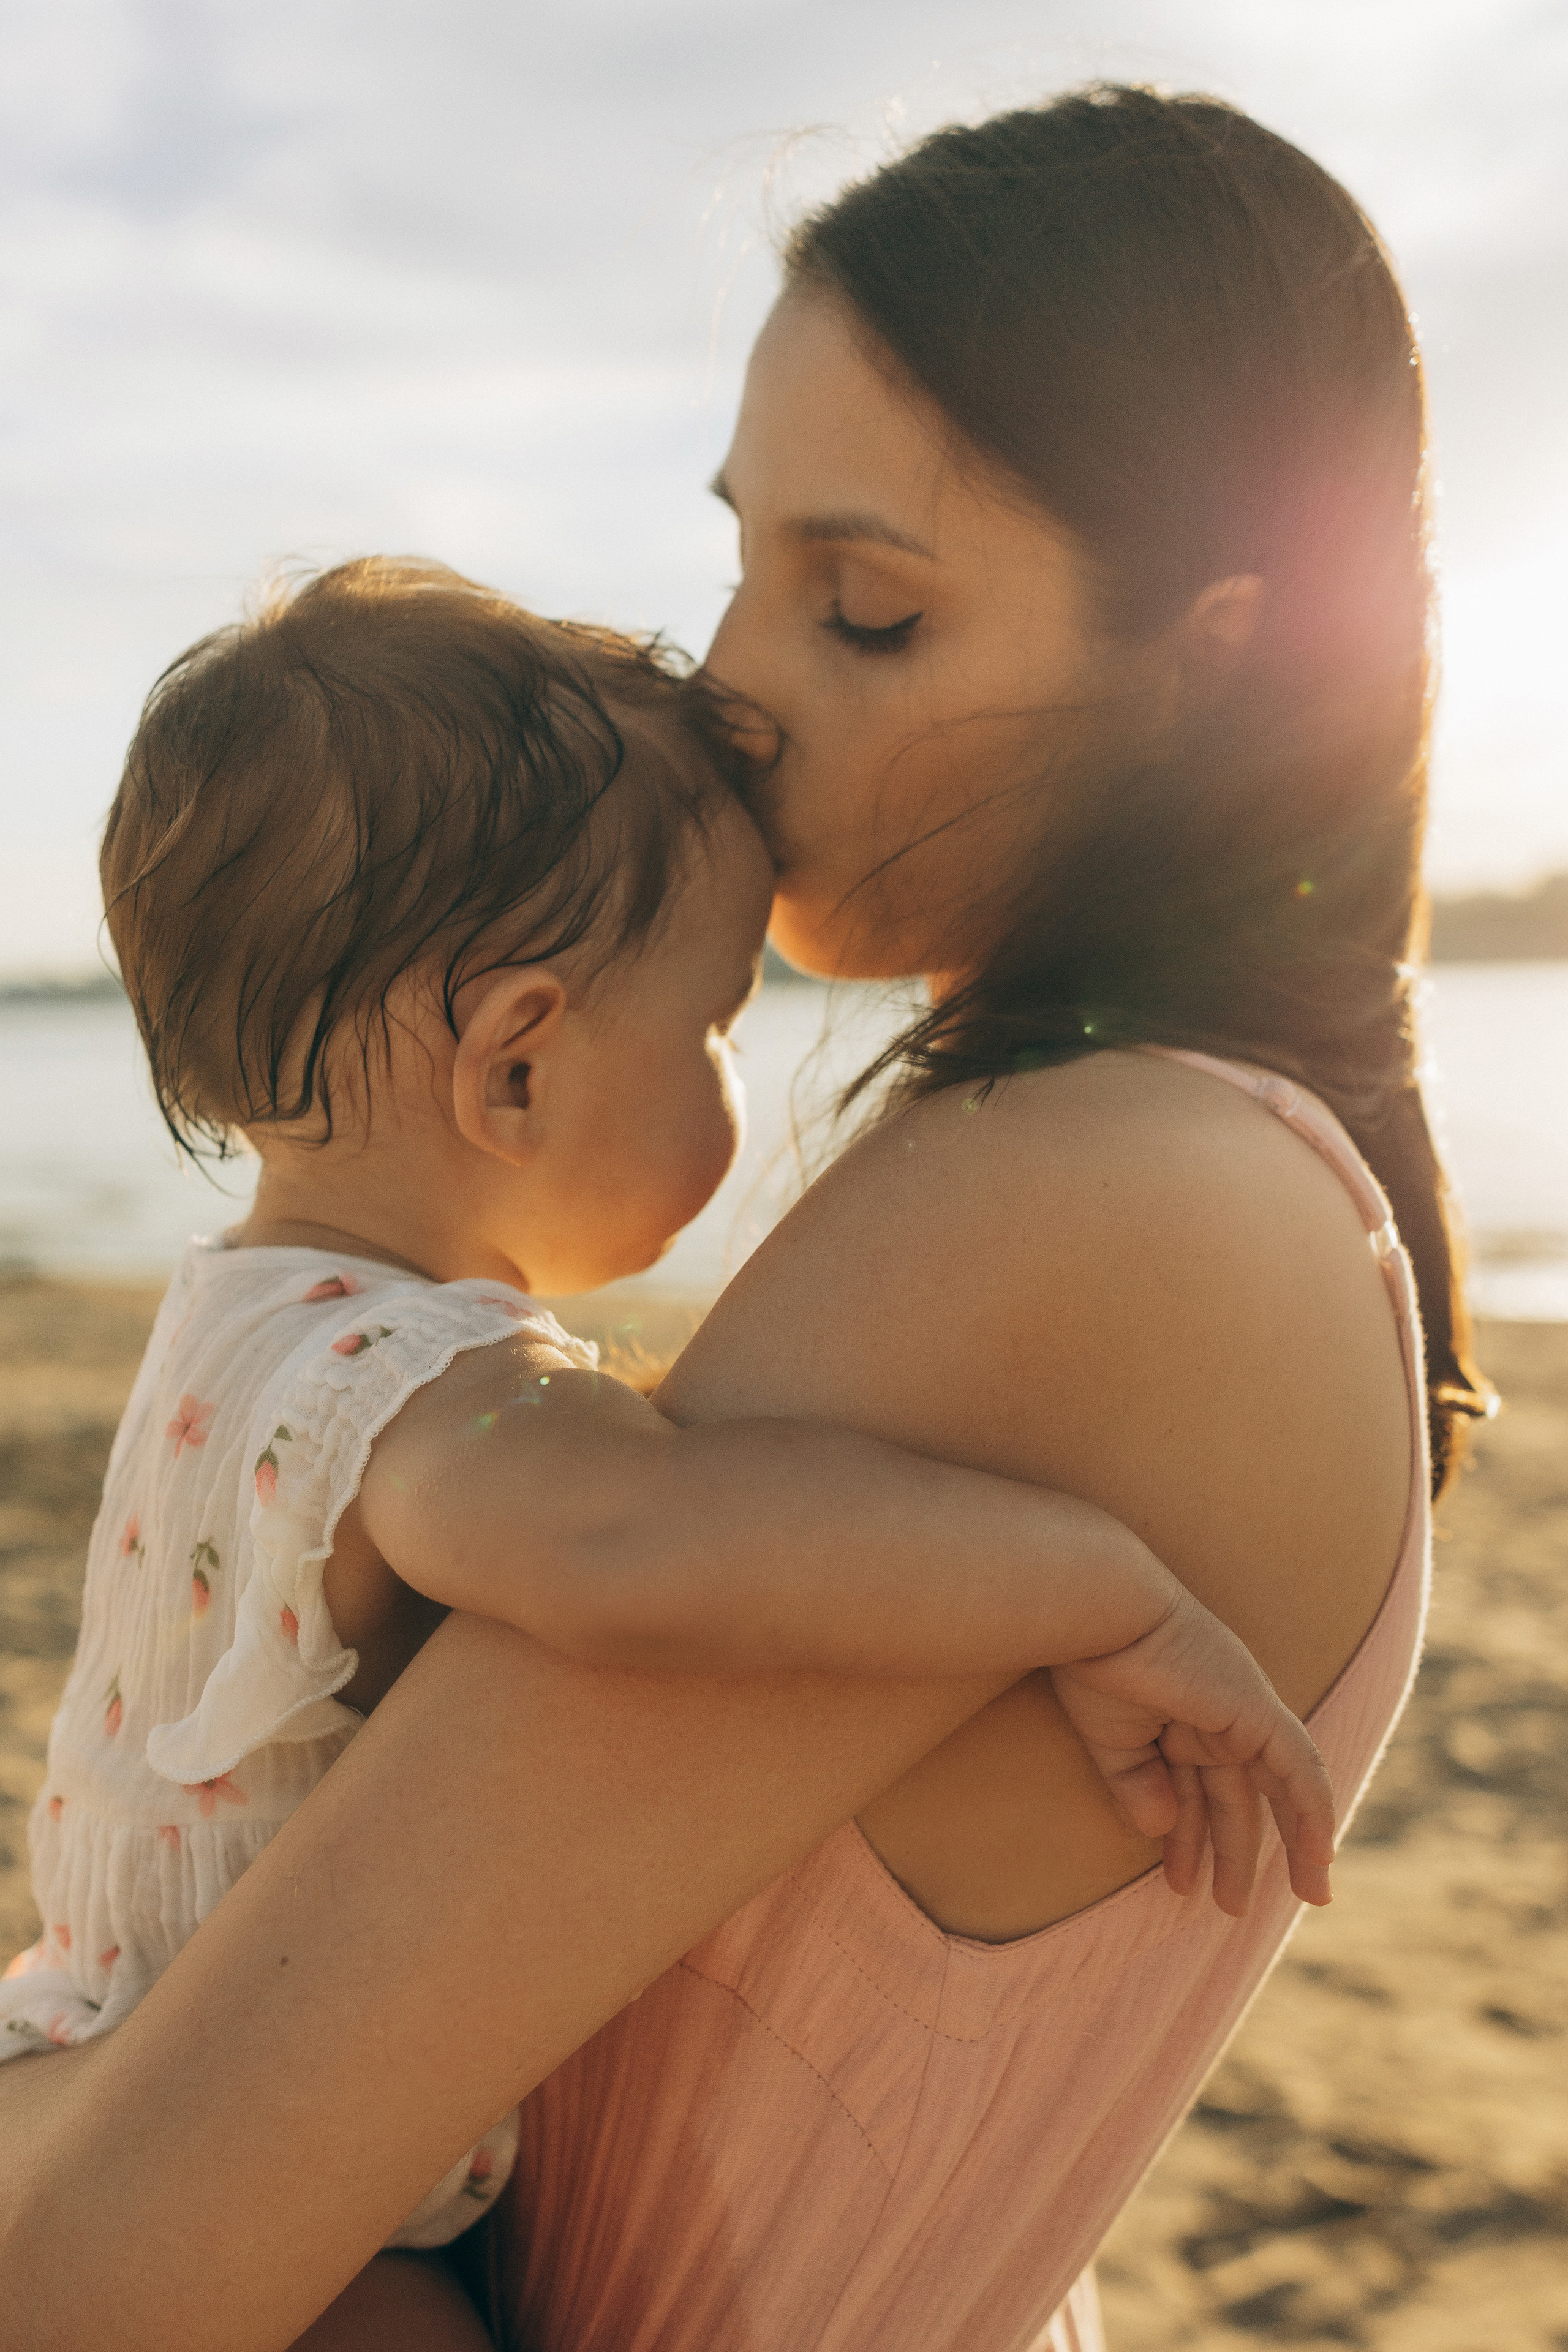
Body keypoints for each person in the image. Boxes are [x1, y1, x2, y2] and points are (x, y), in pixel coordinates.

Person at [0, 87, 1487, 2352]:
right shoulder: (1237, 1181)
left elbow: (104, 2269)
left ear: (1216, 654)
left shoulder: (1098, 1199)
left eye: (866, 607)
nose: (733, 689)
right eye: (746, 557)